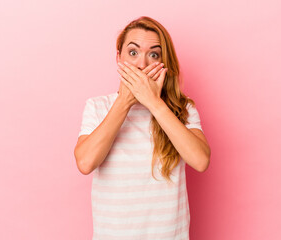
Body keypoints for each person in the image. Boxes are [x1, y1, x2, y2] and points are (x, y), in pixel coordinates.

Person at [74, 16, 211, 240]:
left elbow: (200, 160)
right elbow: (86, 162)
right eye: (133, 52)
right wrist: (125, 101)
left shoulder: (182, 109)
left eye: (154, 54)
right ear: (119, 58)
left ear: (164, 62)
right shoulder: (98, 107)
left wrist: (154, 103)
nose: (142, 64)